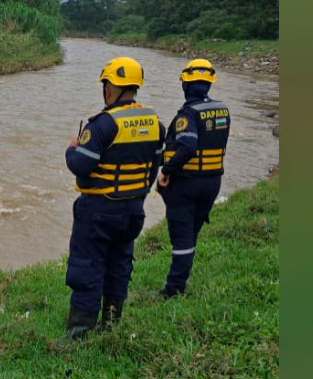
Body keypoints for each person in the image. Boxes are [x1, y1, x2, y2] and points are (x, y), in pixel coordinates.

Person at [62, 57, 166, 340]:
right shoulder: (156, 123)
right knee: (119, 263)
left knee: (87, 266)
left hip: (98, 210)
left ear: (110, 88)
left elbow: (80, 165)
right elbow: (153, 168)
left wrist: (71, 149)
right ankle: (111, 323)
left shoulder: (101, 126)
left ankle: (79, 332)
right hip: (133, 210)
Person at [156, 59, 230, 298]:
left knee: (182, 236)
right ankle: (180, 278)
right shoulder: (222, 110)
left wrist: (166, 170)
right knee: (191, 233)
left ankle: (174, 290)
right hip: (212, 181)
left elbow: (188, 145)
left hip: (187, 183)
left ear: (185, 85)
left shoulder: (187, 114)